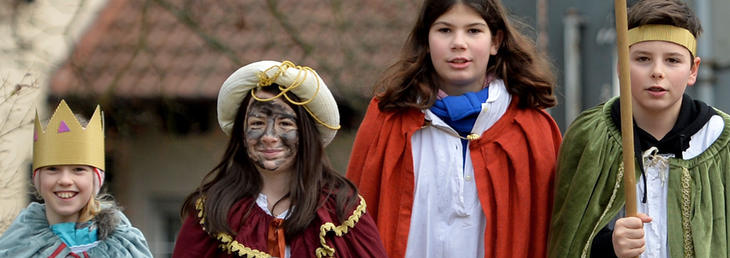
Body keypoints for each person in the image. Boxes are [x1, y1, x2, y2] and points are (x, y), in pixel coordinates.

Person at [345, 0, 562, 257]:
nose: (459, 43)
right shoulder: (387, 121)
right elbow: (352, 228)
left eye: (473, 30)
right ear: (426, 40)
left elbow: (558, 231)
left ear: (495, 41)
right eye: (445, 30)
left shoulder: (532, 129)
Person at [548, 0, 730, 257]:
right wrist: (609, 246)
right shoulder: (591, 136)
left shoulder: (720, 141)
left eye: (672, 60)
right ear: (621, 65)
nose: (657, 71)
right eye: (642, 59)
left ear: (693, 70)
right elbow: (567, 240)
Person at [172, 60, 386, 258]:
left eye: (285, 124)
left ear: (305, 133)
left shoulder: (342, 208)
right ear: (242, 133)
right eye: (257, 123)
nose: (269, 137)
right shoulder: (213, 210)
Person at [0, 100, 153, 257]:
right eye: (53, 169)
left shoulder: (125, 247)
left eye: (78, 170)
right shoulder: (15, 247)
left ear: (97, 179)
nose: (65, 180)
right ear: (37, 179)